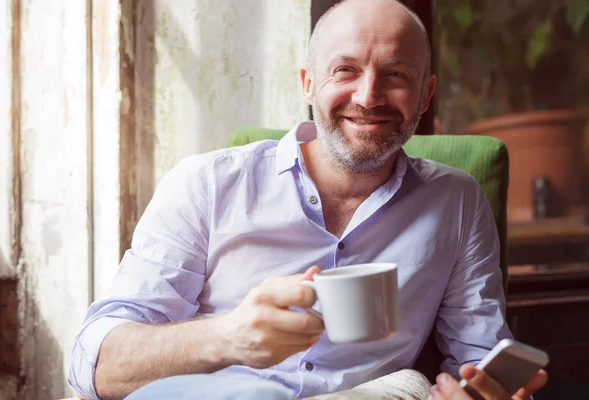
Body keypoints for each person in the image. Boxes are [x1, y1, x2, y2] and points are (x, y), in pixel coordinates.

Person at [68, 0, 547, 399]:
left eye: (396, 74)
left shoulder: (456, 202)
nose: (369, 95)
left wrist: (485, 390)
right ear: (307, 83)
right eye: (345, 70)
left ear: (425, 94)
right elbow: (94, 366)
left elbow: (479, 356)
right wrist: (228, 337)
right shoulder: (207, 185)